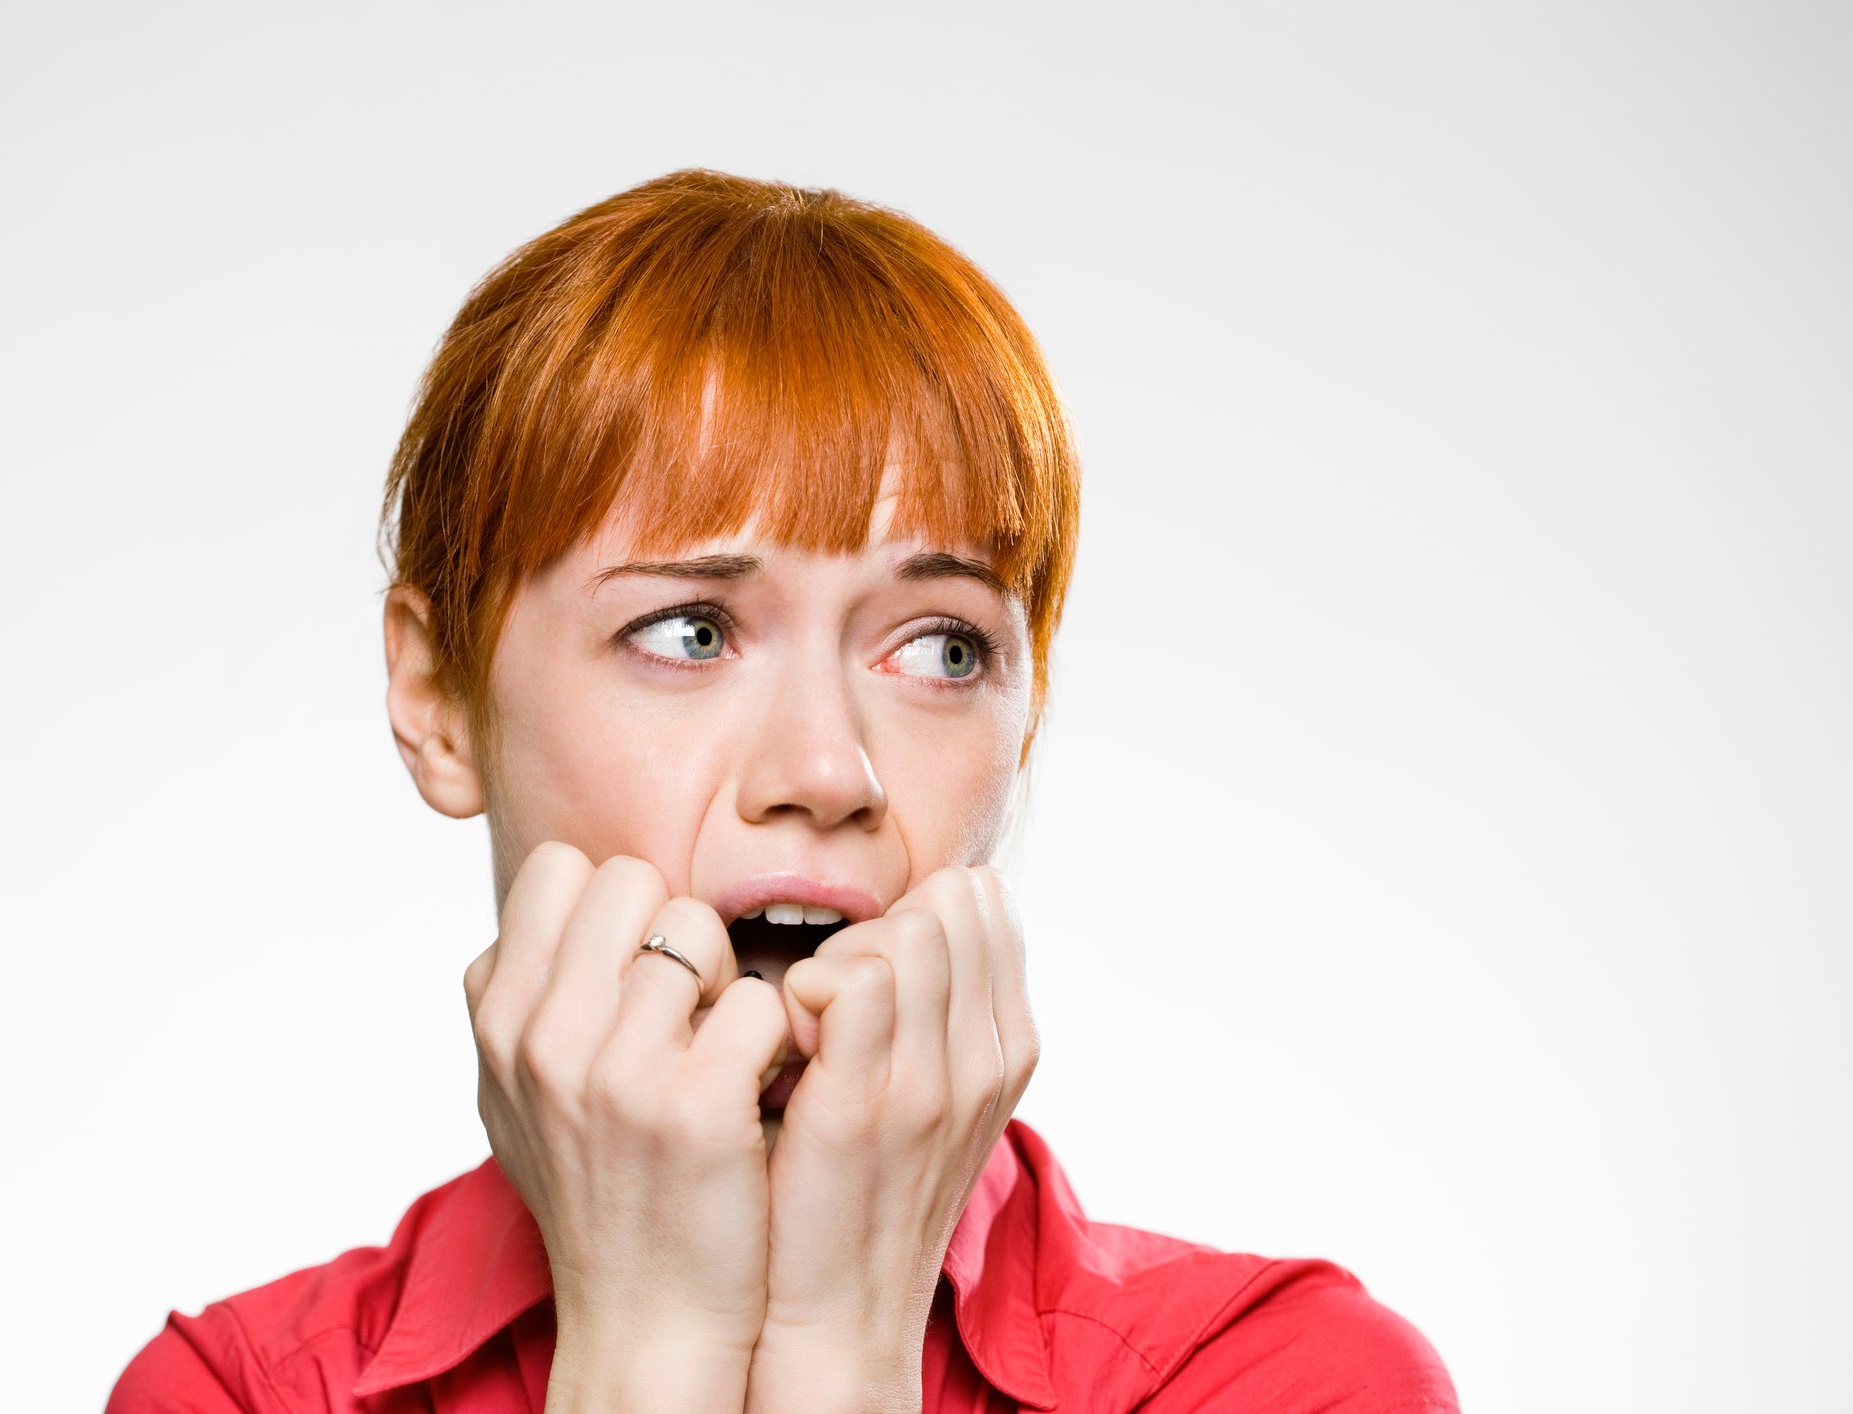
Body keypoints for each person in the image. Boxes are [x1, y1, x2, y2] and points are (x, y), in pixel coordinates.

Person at [106, 168, 1459, 1413]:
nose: (829, 772)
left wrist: (833, 1345)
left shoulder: (1291, 1380)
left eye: (939, 648)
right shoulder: (235, 1394)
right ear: (435, 697)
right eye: (690, 629)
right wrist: (649, 1342)